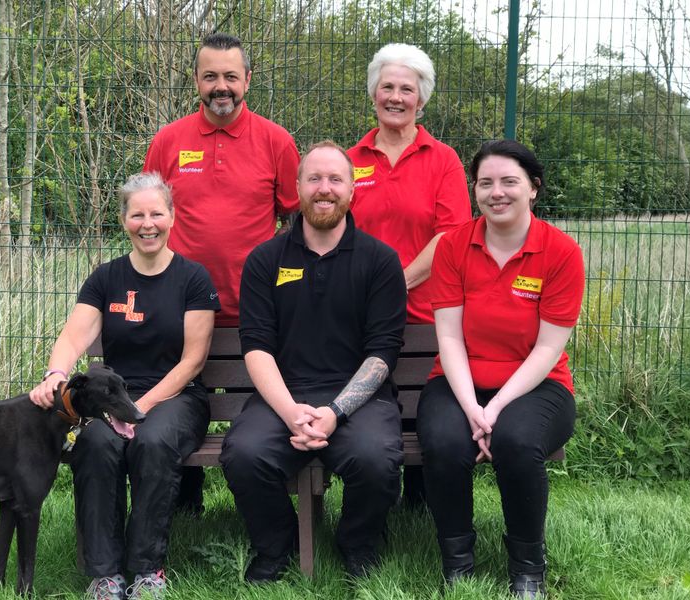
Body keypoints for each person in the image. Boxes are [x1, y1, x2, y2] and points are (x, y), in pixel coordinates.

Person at [220, 141, 407, 582]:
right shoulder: (266, 260)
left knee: (377, 458)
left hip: (359, 400)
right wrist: (289, 412)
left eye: (336, 179)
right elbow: (257, 347)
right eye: (315, 179)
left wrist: (334, 412)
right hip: (282, 395)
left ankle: (358, 543)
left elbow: (383, 352)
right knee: (244, 454)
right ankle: (275, 545)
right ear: (298, 188)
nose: (325, 189)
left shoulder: (381, 262)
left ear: (352, 189)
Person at [29, 173, 220, 600]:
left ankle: (147, 569)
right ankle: (105, 573)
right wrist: (55, 375)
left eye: (156, 213)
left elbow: (193, 361)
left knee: (151, 441)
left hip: (176, 396)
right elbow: (73, 338)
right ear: (124, 220)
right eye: (137, 214)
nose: (147, 223)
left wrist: (139, 409)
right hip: (113, 395)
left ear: (172, 217)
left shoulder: (193, 279)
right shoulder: (106, 278)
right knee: (95, 443)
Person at [416, 140, 584, 598]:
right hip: (458, 383)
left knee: (517, 440)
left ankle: (528, 568)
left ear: (533, 188)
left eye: (509, 182)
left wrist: (497, 408)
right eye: (485, 183)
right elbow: (448, 336)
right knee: (444, 442)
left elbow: (549, 348)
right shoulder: (453, 246)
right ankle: (457, 563)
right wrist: (472, 406)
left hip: (538, 385)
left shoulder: (561, 252)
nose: (496, 193)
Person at [143, 32, 300, 513]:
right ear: (196, 81)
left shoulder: (276, 141)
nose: (221, 86)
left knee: (256, 416)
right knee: (181, 406)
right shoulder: (168, 141)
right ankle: (184, 505)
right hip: (181, 310)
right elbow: (149, 215)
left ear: (247, 79)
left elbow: (295, 221)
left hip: (254, 311)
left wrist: (289, 286)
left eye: (231, 76)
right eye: (210, 76)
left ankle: (265, 508)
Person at [348, 42, 472, 506]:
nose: (396, 97)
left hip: (425, 309)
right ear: (373, 94)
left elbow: (451, 235)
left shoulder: (443, 160)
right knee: (374, 406)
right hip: (360, 313)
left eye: (407, 89)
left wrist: (393, 286)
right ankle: (379, 498)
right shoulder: (350, 159)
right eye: (387, 87)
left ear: (422, 99)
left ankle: (421, 504)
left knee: (425, 406)